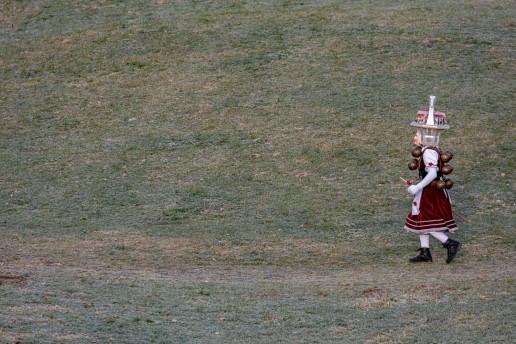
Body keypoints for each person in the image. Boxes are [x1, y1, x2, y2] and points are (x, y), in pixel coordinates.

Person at [404, 96, 462, 263]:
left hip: (430, 191)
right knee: (422, 218)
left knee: (426, 220)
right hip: (431, 189)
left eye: (417, 134)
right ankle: (425, 252)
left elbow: (431, 174)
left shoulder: (428, 152)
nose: (415, 138)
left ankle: (450, 243)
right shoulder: (432, 149)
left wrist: (416, 187)